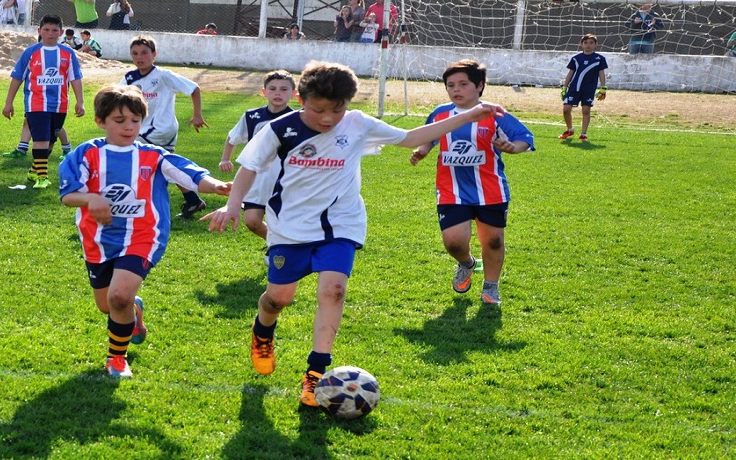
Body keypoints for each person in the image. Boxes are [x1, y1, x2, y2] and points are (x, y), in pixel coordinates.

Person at [201, 61, 506, 407]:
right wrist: (232, 205)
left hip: (341, 225)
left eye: (338, 109)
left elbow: (409, 138)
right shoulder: (279, 129)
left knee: (334, 290)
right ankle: (263, 331)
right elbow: (249, 168)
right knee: (278, 299)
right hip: (289, 228)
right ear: (301, 99)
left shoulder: (358, 123)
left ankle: (315, 376)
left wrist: (469, 115)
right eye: (319, 110)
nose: (329, 118)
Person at [59, 85, 232, 378]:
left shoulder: (153, 156)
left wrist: (214, 185)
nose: (129, 127)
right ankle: (133, 312)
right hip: (98, 241)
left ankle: (116, 358)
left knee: (119, 297)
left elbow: (188, 173)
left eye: (135, 121)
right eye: (119, 120)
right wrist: (90, 198)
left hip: (144, 237)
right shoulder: (85, 154)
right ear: (101, 122)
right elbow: (68, 195)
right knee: (108, 305)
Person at [409, 59, 535, 306]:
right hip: (451, 190)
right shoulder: (441, 113)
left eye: (463, 84)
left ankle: (491, 287)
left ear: (479, 86)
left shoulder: (494, 113)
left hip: (490, 190)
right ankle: (466, 263)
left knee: (493, 241)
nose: (456, 89)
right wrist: (422, 150)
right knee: (454, 242)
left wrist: (512, 148)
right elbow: (429, 136)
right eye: (451, 85)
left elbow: (524, 138)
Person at [120, 35, 211, 218]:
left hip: (161, 129)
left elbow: (194, 88)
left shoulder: (163, 75)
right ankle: (193, 201)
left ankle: (133, 204)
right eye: (135, 53)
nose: (140, 57)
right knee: (165, 166)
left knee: (130, 160)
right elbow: (117, 97)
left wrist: (197, 115)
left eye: (145, 53)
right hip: (144, 129)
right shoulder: (129, 78)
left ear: (154, 54)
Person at [2, 14, 86, 189]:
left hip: (60, 104)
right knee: (40, 139)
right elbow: (17, 78)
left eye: (55, 30)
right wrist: (8, 102)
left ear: (61, 32)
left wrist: (80, 102)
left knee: (49, 141)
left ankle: (34, 171)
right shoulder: (31, 52)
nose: (50, 33)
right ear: (39, 31)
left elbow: (75, 78)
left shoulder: (68, 53)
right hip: (36, 103)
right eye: (46, 30)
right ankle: (43, 177)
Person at [218, 70, 296, 243]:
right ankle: (277, 244)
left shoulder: (298, 119)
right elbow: (233, 138)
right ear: (264, 92)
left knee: (282, 221)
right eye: (272, 88)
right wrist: (225, 159)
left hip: (284, 179)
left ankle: (280, 250)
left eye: (284, 89)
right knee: (252, 221)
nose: (278, 93)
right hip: (257, 179)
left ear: (294, 93)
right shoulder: (252, 116)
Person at [559, 34, 608, 143]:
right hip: (574, 89)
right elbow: (570, 73)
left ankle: (583, 134)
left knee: (586, 110)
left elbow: (601, 73)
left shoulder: (599, 59)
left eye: (591, 43)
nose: (588, 45)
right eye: (585, 43)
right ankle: (569, 129)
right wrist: (564, 88)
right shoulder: (576, 58)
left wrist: (603, 88)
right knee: (566, 109)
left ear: (596, 45)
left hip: (588, 89)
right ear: (581, 44)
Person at [2, 118, 73, 158]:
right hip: (35, 98)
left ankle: (67, 150)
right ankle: (22, 150)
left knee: (54, 124)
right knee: (28, 120)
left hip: (49, 100)